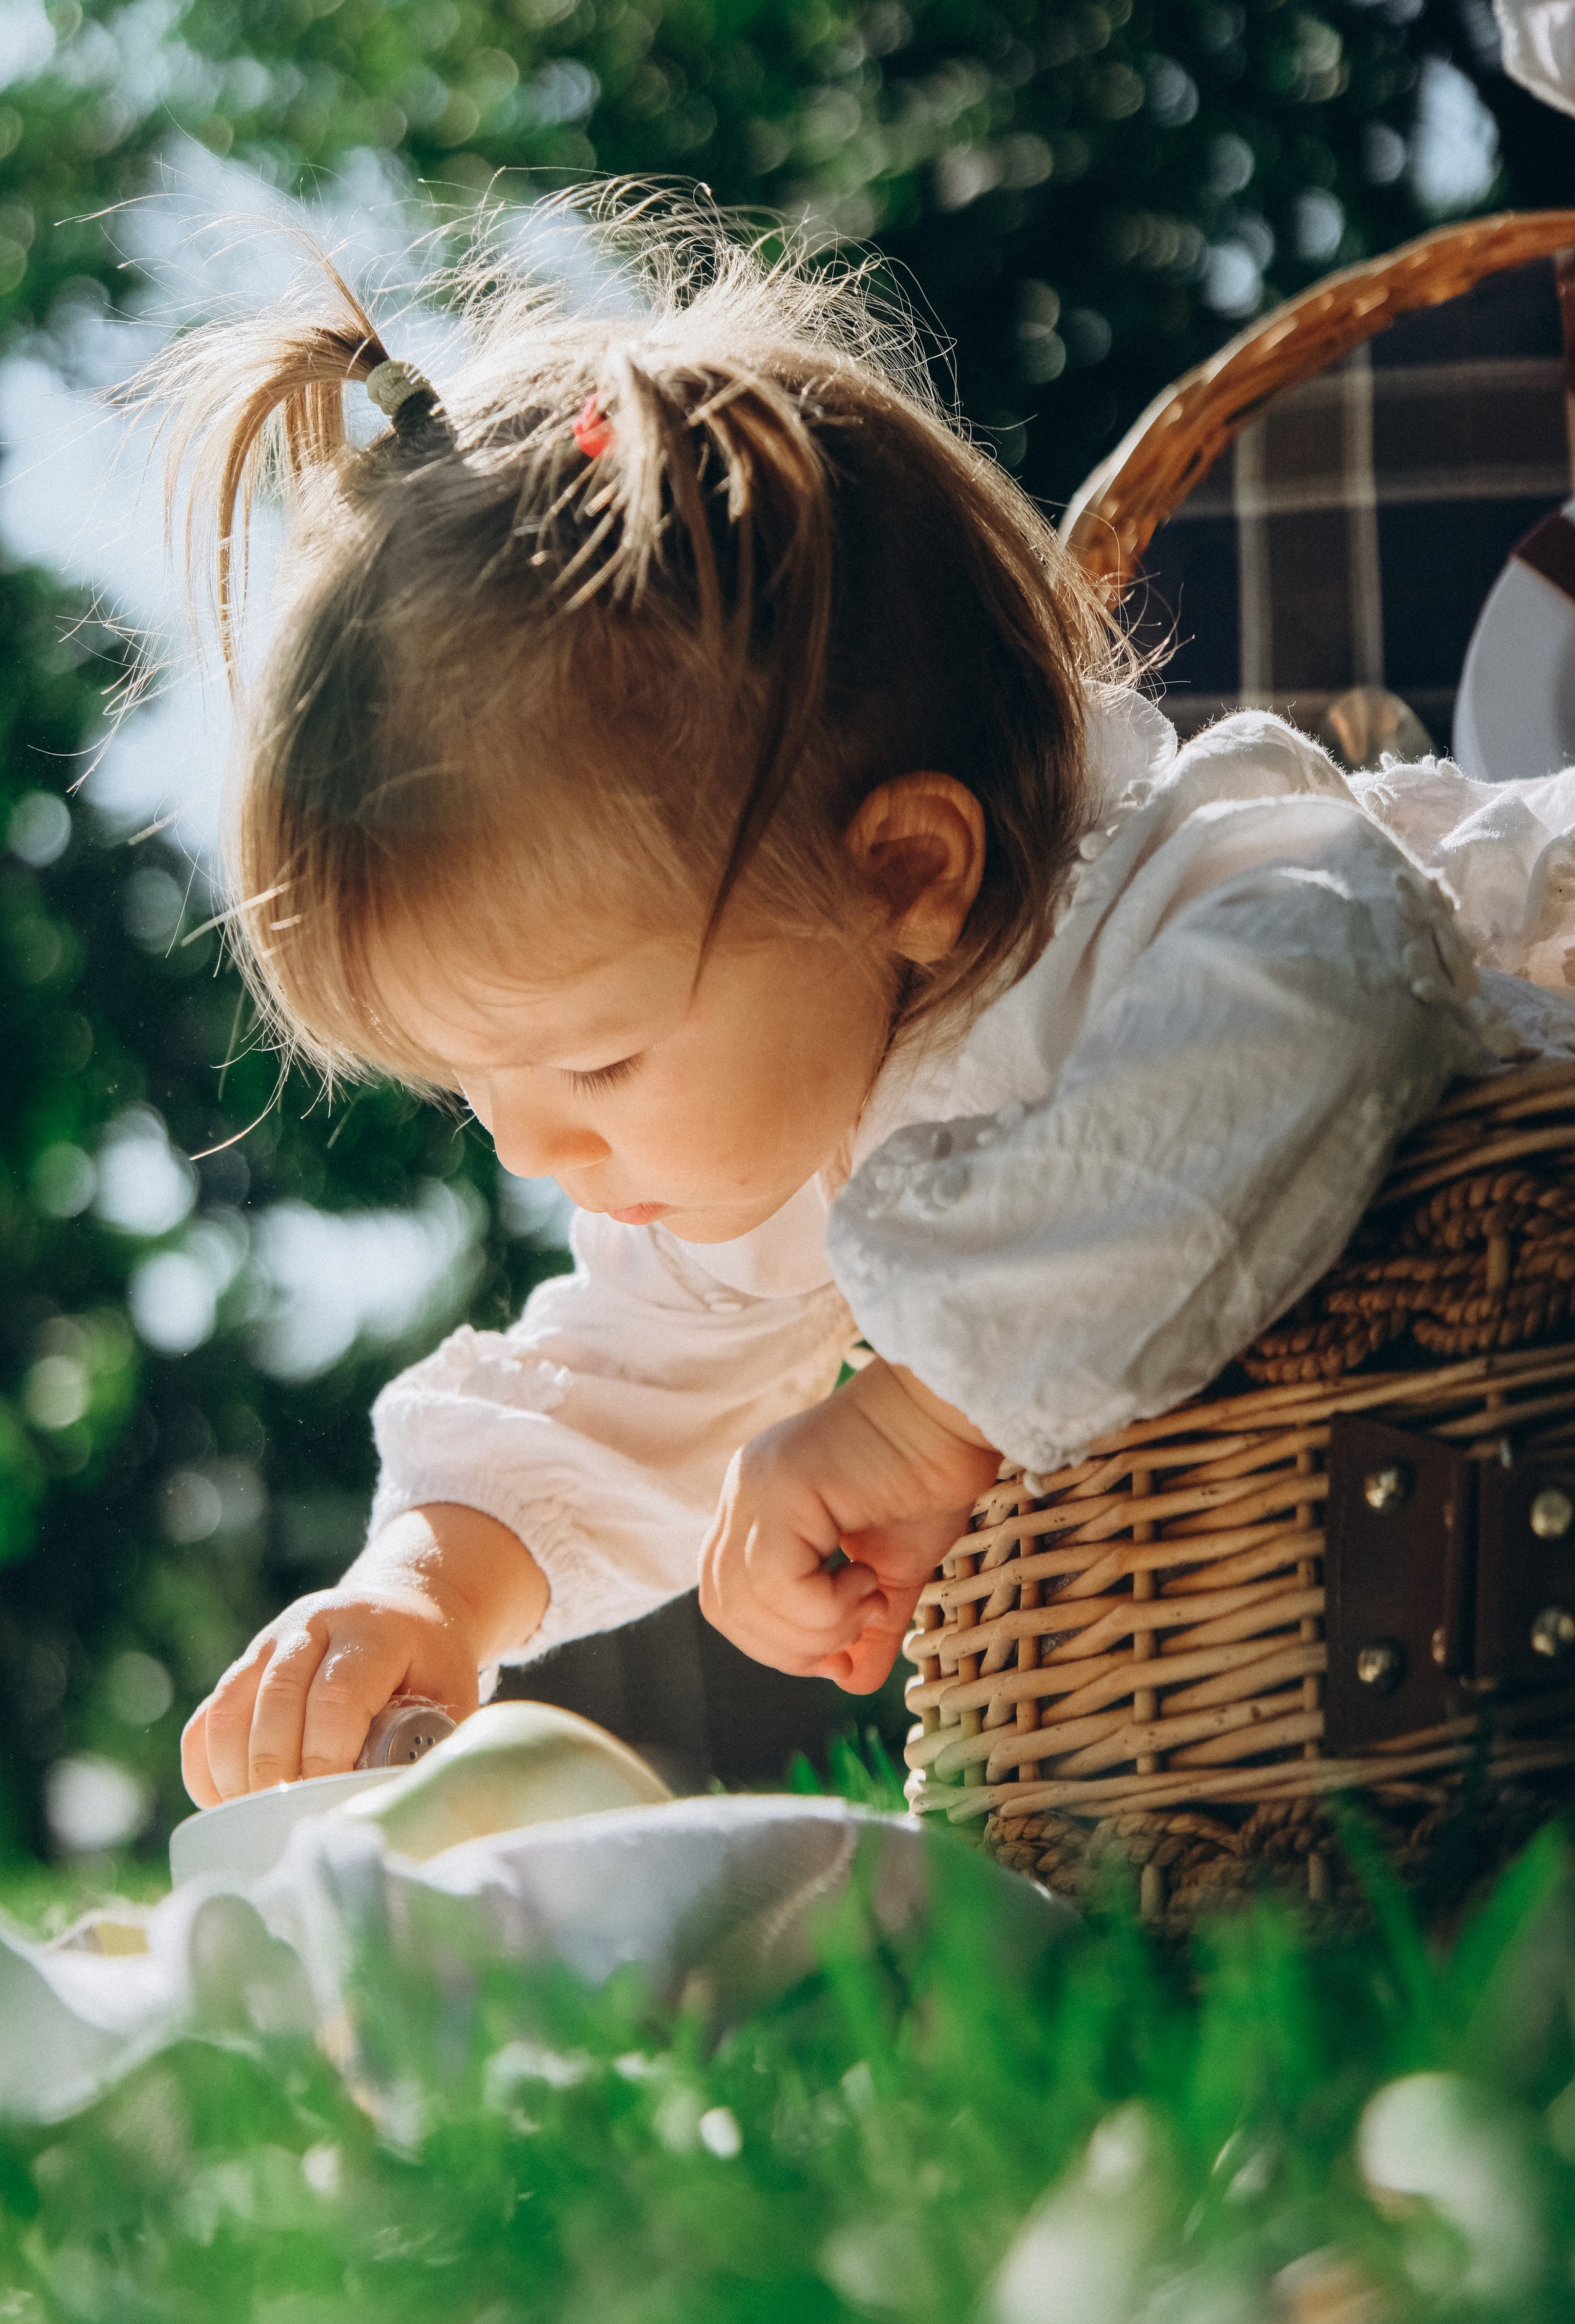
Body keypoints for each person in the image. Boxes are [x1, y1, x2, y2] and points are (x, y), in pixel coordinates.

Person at [165, 188, 1575, 1808]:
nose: (535, 1148)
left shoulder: (1165, 903)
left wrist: (932, 1407)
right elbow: (620, 1375)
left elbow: (1314, 1002)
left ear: (906, 872)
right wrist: (427, 1585)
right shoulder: (810, 1091)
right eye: (480, 1080)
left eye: (599, 1061)